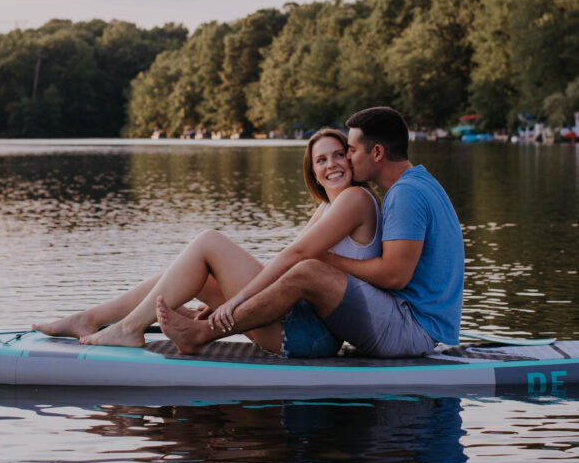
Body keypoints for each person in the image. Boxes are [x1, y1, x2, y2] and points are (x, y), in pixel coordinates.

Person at [33, 128, 381, 357]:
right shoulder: (328, 206)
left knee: (208, 243)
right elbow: (287, 264)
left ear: (350, 159)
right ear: (313, 171)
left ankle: (127, 328)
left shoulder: (353, 199)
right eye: (321, 160)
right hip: (303, 325)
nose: (332, 164)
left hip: (309, 337)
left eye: (338, 155)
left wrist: (238, 299)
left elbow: (295, 257)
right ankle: (89, 318)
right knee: (190, 273)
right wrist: (220, 301)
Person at [159, 106, 464, 358]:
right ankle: (198, 318)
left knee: (309, 271)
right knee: (307, 269)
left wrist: (328, 260)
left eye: (352, 150)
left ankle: (201, 334)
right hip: (414, 324)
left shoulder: (405, 194)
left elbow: (395, 277)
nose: (348, 158)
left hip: (412, 331)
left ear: (378, 153)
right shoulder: (420, 183)